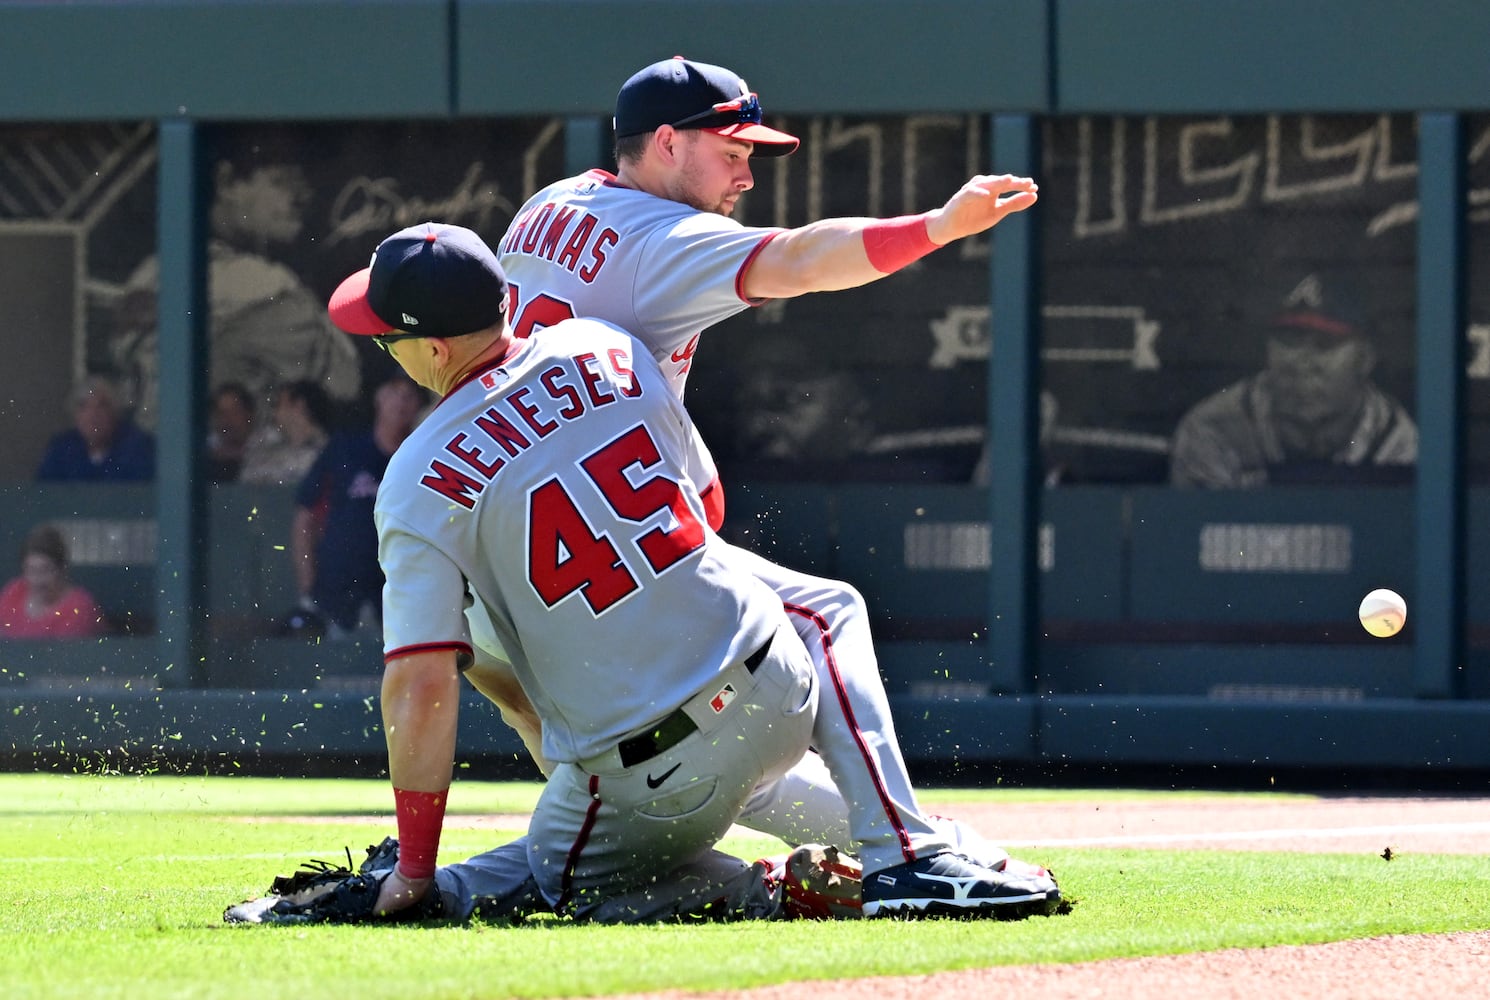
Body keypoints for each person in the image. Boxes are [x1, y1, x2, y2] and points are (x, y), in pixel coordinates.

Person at [228, 223, 1059, 926]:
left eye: (389, 335)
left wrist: (416, 865)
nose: (384, 347)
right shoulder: (604, 344)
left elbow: (417, 688)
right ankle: (919, 846)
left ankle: (763, 891)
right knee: (808, 624)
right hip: (779, 690)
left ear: (434, 348)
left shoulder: (415, 476)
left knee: (551, 887)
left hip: (647, 774)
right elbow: (706, 502)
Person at [491, 57, 1044, 876]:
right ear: (669, 142)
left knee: (699, 753)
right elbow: (805, 261)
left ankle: (927, 845)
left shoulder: (550, 206)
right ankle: (909, 855)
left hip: (507, 559)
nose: (748, 173)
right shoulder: (665, 239)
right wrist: (937, 226)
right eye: (733, 149)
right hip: (606, 542)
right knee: (826, 615)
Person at [108, 160, 361, 431]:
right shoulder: (264, 283)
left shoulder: (155, 274)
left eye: (303, 185)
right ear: (227, 182)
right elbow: (344, 382)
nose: (301, 196)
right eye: (281, 180)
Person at [1170, 273, 1418, 488]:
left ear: (1365, 358)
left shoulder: (1398, 441)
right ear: (1266, 350)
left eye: (1325, 344)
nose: (1303, 360)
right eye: (1289, 340)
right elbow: (1201, 537)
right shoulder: (1214, 429)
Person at [288, 373, 425, 639]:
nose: (401, 402)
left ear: (419, 406)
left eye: (410, 396)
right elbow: (306, 517)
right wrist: (308, 590)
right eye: (394, 392)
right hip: (336, 596)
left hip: (399, 602)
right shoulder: (344, 450)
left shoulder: (422, 457)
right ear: (379, 397)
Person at [35, 375, 155, 482]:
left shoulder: (138, 446)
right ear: (75, 415)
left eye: (102, 406)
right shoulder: (61, 448)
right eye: (84, 407)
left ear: (114, 412)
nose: (93, 415)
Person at [0, 524, 106, 639]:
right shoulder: (13, 593)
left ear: (62, 570)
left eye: (46, 570)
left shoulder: (79, 608)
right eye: (31, 570)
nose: (37, 580)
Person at [240, 380, 331, 487]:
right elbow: (245, 481)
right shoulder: (266, 446)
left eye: (278, 404)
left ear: (299, 405)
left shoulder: (326, 452)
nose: (274, 412)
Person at [205, 381, 255, 483]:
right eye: (221, 413)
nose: (227, 420)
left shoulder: (268, 442)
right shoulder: (207, 447)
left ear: (249, 414)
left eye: (235, 412)